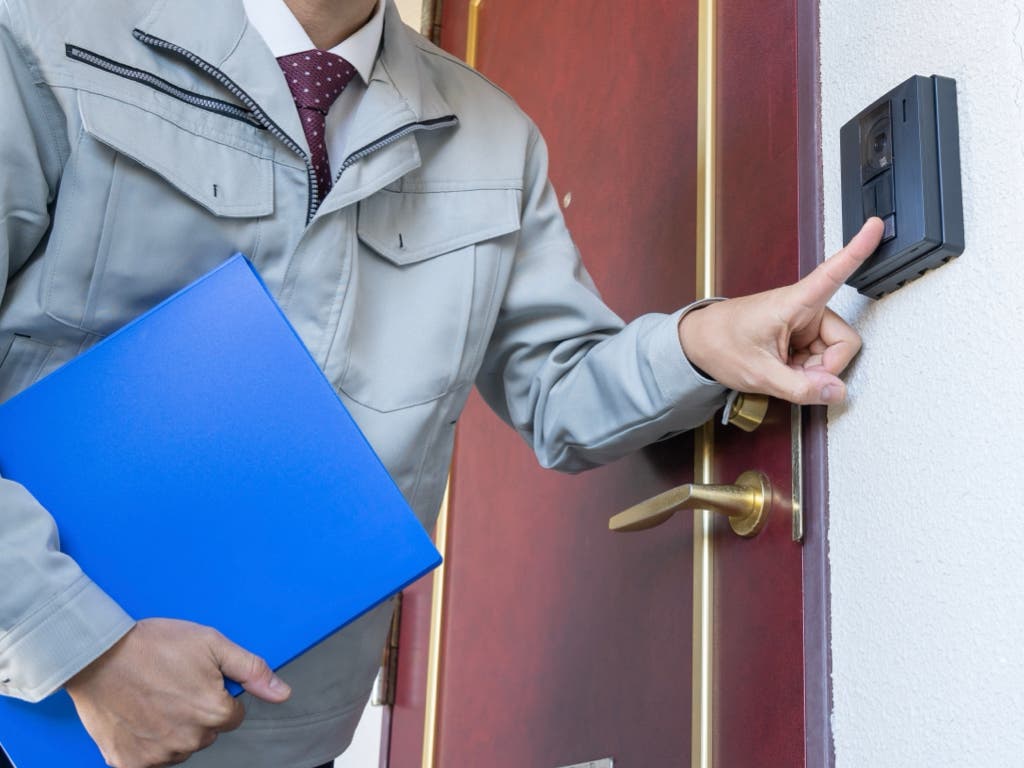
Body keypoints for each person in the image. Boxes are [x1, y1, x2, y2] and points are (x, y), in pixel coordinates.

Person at [0, 0, 883, 766]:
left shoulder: (496, 140)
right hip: (29, 693)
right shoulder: (45, 32)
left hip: (281, 738)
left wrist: (701, 342)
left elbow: (561, 392)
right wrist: (82, 648)